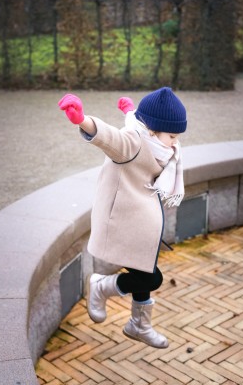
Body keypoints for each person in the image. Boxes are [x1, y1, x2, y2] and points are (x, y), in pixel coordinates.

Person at [58, 87, 187, 349]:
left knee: (144, 271)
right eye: (172, 136)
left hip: (142, 223)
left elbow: (135, 119)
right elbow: (110, 137)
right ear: (152, 130)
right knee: (152, 278)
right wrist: (82, 120)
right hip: (124, 221)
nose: (175, 142)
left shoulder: (155, 140)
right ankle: (102, 286)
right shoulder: (133, 143)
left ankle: (139, 325)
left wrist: (129, 109)